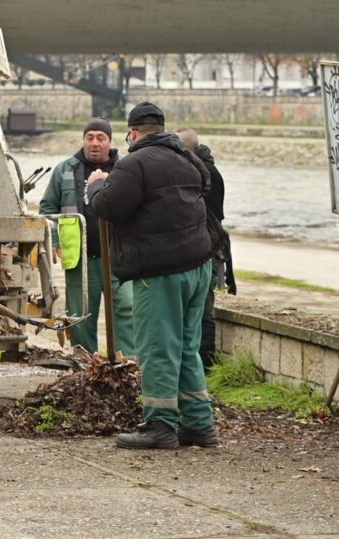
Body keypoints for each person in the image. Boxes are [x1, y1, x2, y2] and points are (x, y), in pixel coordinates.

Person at [86, 102, 217, 450]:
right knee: (187, 347)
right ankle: (199, 423)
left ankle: (159, 425)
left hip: (159, 272)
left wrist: (97, 185)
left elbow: (110, 206)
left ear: (132, 133)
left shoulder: (134, 163)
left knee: (158, 348)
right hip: (198, 265)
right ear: (162, 128)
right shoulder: (188, 158)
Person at [39, 118, 134, 356]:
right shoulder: (65, 169)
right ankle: (83, 365)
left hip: (119, 257)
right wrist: (54, 240)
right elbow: (48, 208)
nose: (94, 143)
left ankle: (127, 364)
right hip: (80, 259)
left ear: (110, 142)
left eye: (100, 138)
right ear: (83, 140)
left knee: (127, 309)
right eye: (89, 137)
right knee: (79, 314)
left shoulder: (126, 168)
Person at [176, 128, 234, 369]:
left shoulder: (200, 171)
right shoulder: (209, 168)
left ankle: (206, 363)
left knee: (203, 307)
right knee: (200, 306)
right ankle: (201, 361)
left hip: (206, 246)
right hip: (209, 243)